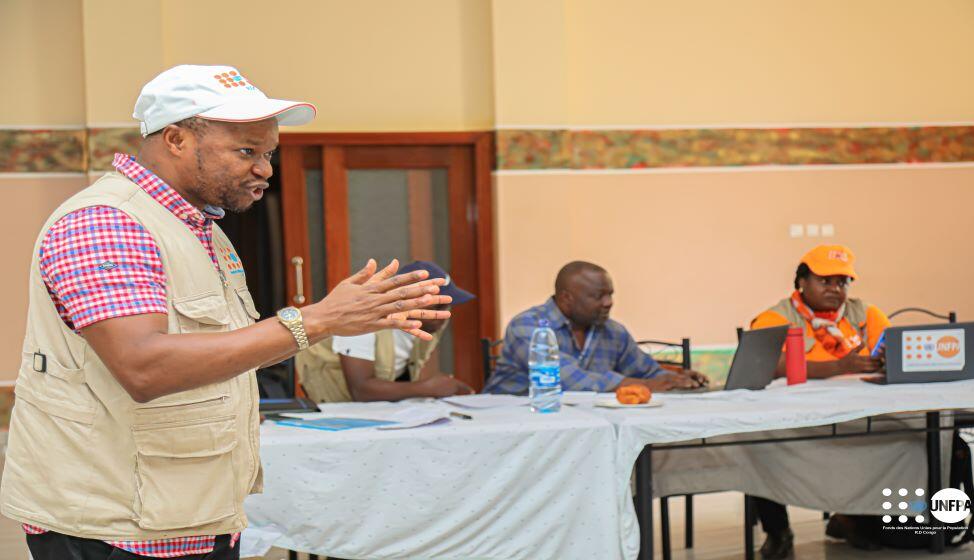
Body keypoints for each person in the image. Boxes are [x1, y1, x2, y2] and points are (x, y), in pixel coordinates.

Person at [1, 65, 451, 560]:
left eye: (268, 153)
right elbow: (143, 366)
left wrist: (336, 320)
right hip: (119, 529)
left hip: (185, 514)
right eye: (247, 152)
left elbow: (219, 355)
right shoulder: (109, 223)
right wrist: (316, 320)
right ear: (174, 138)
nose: (266, 170)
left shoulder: (200, 229)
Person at [748, 244, 891, 559]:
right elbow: (765, 364)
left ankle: (852, 518)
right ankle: (778, 531)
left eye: (842, 282)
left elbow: (896, 352)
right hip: (795, 418)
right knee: (759, 442)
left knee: (900, 436)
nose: (835, 289)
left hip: (861, 414)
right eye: (825, 280)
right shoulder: (776, 316)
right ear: (802, 281)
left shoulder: (866, 313)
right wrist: (838, 368)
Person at [483, 261, 707, 394]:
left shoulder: (613, 332)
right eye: (599, 296)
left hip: (586, 429)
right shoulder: (528, 326)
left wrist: (678, 380)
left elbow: (647, 371)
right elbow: (569, 381)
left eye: (610, 294)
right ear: (566, 298)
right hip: (515, 426)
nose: (609, 302)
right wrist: (649, 384)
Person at [297, 260, 477, 402]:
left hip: (381, 410)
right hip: (337, 408)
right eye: (439, 306)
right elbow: (360, 390)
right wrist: (427, 388)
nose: (445, 314)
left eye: (449, 305)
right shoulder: (364, 318)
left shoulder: (431, 322)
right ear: (411, 300)